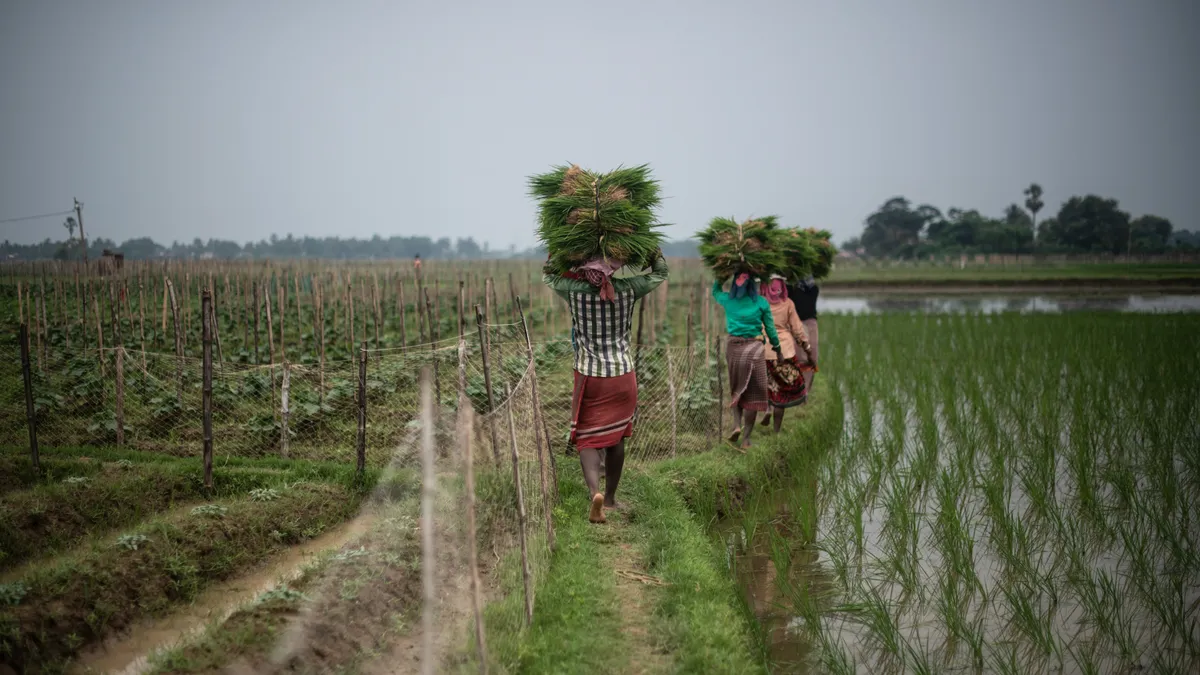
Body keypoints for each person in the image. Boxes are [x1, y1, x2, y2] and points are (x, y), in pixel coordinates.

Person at [544, 250, 669, 523]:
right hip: (622, 374)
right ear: (612, 270)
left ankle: (594, 495)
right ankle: (610, 500)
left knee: (587, 437)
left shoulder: (574, 290)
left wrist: (558, 255)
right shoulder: (628, 289)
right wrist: (654, 255)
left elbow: (548, 276)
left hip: (590, 375)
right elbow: (660, 273)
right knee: (617, 436)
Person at [713, 272, 781, 450]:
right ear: (753, 284)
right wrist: (777, 348)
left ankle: (736, 424)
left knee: (736, 387)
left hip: (734, 348)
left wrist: (722, 275)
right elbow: (771, 329)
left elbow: (715, 291)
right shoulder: (760, 302)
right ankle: (746, 439)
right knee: (753, 394)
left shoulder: (728, 300)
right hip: (754, 349)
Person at [760, 276, 816, 433]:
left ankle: (767, 409)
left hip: (765, 351)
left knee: (768, 383)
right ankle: (776, 432)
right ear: (783, 287)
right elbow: (798, 330)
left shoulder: (761, 303)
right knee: (782, 394)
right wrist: (808, 350)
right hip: (784, 352)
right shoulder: (788, 304)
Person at [788, 275, 820, 394]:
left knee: (812, 358)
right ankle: (798, 391)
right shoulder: (789, 285)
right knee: (799, 358)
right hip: (796, 324)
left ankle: (805, 391)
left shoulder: (811, 284)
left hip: (811, 324)